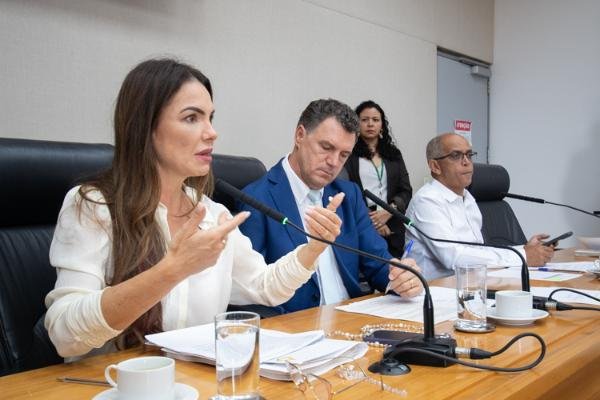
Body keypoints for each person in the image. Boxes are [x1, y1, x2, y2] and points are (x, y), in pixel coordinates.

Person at [44, 59, 344, 358]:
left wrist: (313, 248)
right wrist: (171, 270)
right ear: (145, 127)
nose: (212, 132)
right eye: (191, 118)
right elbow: (64, 335)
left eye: (210, 118)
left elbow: (265, 285)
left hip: (193, 379)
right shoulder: (93, 205)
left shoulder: (211, 214)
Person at [237, 99, 422, 314]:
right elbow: (252, 290)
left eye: (344, 155)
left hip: (351, 319)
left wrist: (400, 278)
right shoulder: (257, 198)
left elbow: (378, 262)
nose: (334, 162)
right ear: (300, 135)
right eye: (326, 147)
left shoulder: (349, 194)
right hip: (295, 325)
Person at [405, 132, 554, 280]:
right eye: (456, 155)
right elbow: (454, 257)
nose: (467, 162)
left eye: (469, 155)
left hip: (470, 282)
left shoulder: (468, 198)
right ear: (435, 166)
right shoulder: (427, 201)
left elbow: (478, 251)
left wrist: (524, 248)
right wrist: (523, 256)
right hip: (435, 288)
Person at [344, 100, 412, 258]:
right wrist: (374, 222)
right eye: (364, 120)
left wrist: (389, 211)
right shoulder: (349, 154)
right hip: (362, 223)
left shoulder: (394, 154)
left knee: (395, 269)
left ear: (382, 125)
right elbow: (346, 191)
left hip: (393, 224)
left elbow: (406, 190)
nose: (370, 124)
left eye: (375, 120)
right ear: (356, 124)